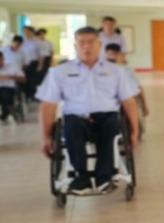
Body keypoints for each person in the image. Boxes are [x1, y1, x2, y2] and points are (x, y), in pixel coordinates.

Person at [37, 27, 140, 194]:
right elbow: (48, 105)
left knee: (111, 127)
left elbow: (129, 101)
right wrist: (46, 137)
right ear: (75, 45)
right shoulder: (60, 72)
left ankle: (104, 178)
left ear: (99, 44)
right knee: (71, 127)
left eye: (91, 42)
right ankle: (81, 178)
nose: (87, 46)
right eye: (82, 42)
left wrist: (134, 132)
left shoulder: (116, 71)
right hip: (76, 118)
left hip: (107, 117)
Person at [104, 44, 150, 119]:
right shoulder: (101, 69)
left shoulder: (126, 69)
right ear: (105, 54)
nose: (112, 57)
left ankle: (134, 128)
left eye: (115, 54)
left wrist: (144, 106)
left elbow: (138, 87)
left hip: (125, 99)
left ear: (119, 55)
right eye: (110, 54)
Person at [0, 51, 26, 122]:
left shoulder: (12, 66)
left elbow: (23, 79)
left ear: (3, 59)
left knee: (6, 94)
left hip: (8, 88)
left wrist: (11, 76)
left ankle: (6, 111)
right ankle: (5, 110)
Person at [19, 27, 41, 100]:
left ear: (32, 32)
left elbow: (40, 54)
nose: (26, 33)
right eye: (24, 32)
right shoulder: (22, 42)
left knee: (32, 80)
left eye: (28, 32)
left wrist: (40, 65)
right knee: (25, 79)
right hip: (23, 63)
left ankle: (32, 95)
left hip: (33, 62)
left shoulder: (37, 42)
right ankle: (25, 95)